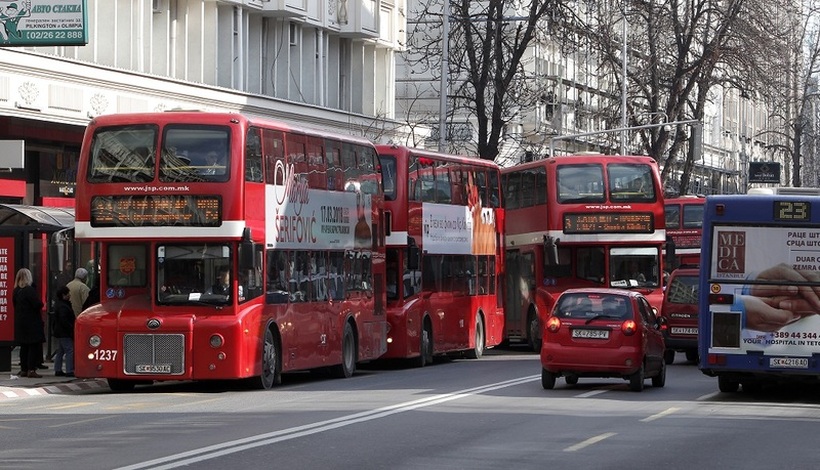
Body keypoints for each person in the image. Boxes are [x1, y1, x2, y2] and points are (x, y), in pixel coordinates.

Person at [12, 268, 45, 378]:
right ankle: (31, 369)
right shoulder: (29, 290)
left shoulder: (16, 291)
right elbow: (37, 304)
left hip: (20, 322)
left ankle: (24, 369)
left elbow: (14, 305)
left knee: (24, 347)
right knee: (33, 346)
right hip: (32, 322)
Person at [51, 286, 75, 377]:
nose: (69, 295)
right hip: (64, 332)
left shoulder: (60, 304)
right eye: (67, 294)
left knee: (60, 351)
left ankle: (58, 369)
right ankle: (69, 370)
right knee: (69, 350)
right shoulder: (64, 306)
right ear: (63, 295)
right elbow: (64, 320)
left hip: (60, 331)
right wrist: (71, 328)